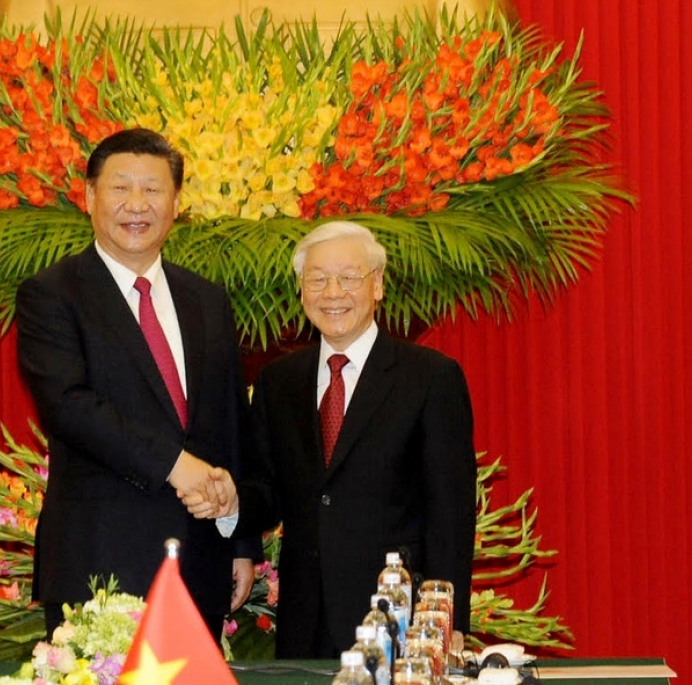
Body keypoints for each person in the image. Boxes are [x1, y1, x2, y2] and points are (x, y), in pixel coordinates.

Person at [187, 221, 477, 658]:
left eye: (348, 278)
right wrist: (231, 502)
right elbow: (267, 490)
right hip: (306, 618)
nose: (333, 292)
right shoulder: (278, 381)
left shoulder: (430, 377)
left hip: (398, 616)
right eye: (318, 280)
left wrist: (445, 619)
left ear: (377, 285)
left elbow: (450, 512)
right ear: (302, 291)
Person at [15, 128, 255, 635]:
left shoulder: (208, 301)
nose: (136, 204)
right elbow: (69, 406)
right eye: (120, 188)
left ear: (176, 204)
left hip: (201, 562)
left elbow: (231, 425)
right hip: (100, 565)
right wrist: (175, 466)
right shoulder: (52, 295)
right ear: (89, 197)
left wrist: (240, 540)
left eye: (153, 189)